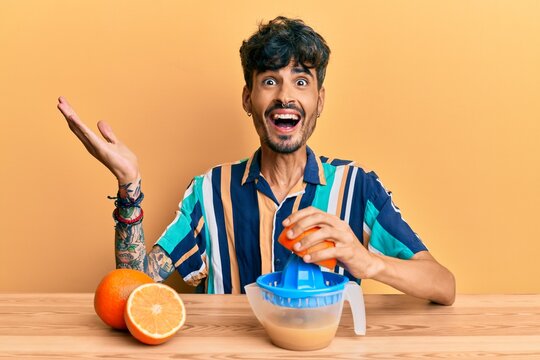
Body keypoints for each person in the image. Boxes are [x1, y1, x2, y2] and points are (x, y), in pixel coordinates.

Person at [57, 16, 455, 305]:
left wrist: (367, 262)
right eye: (270, 80)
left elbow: (443, 284)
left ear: (319, 101)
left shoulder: (358, 186)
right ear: (248, 99)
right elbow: (136, 288)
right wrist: (130, 186)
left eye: (301, 81)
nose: (285, 95)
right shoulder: (208, 192)